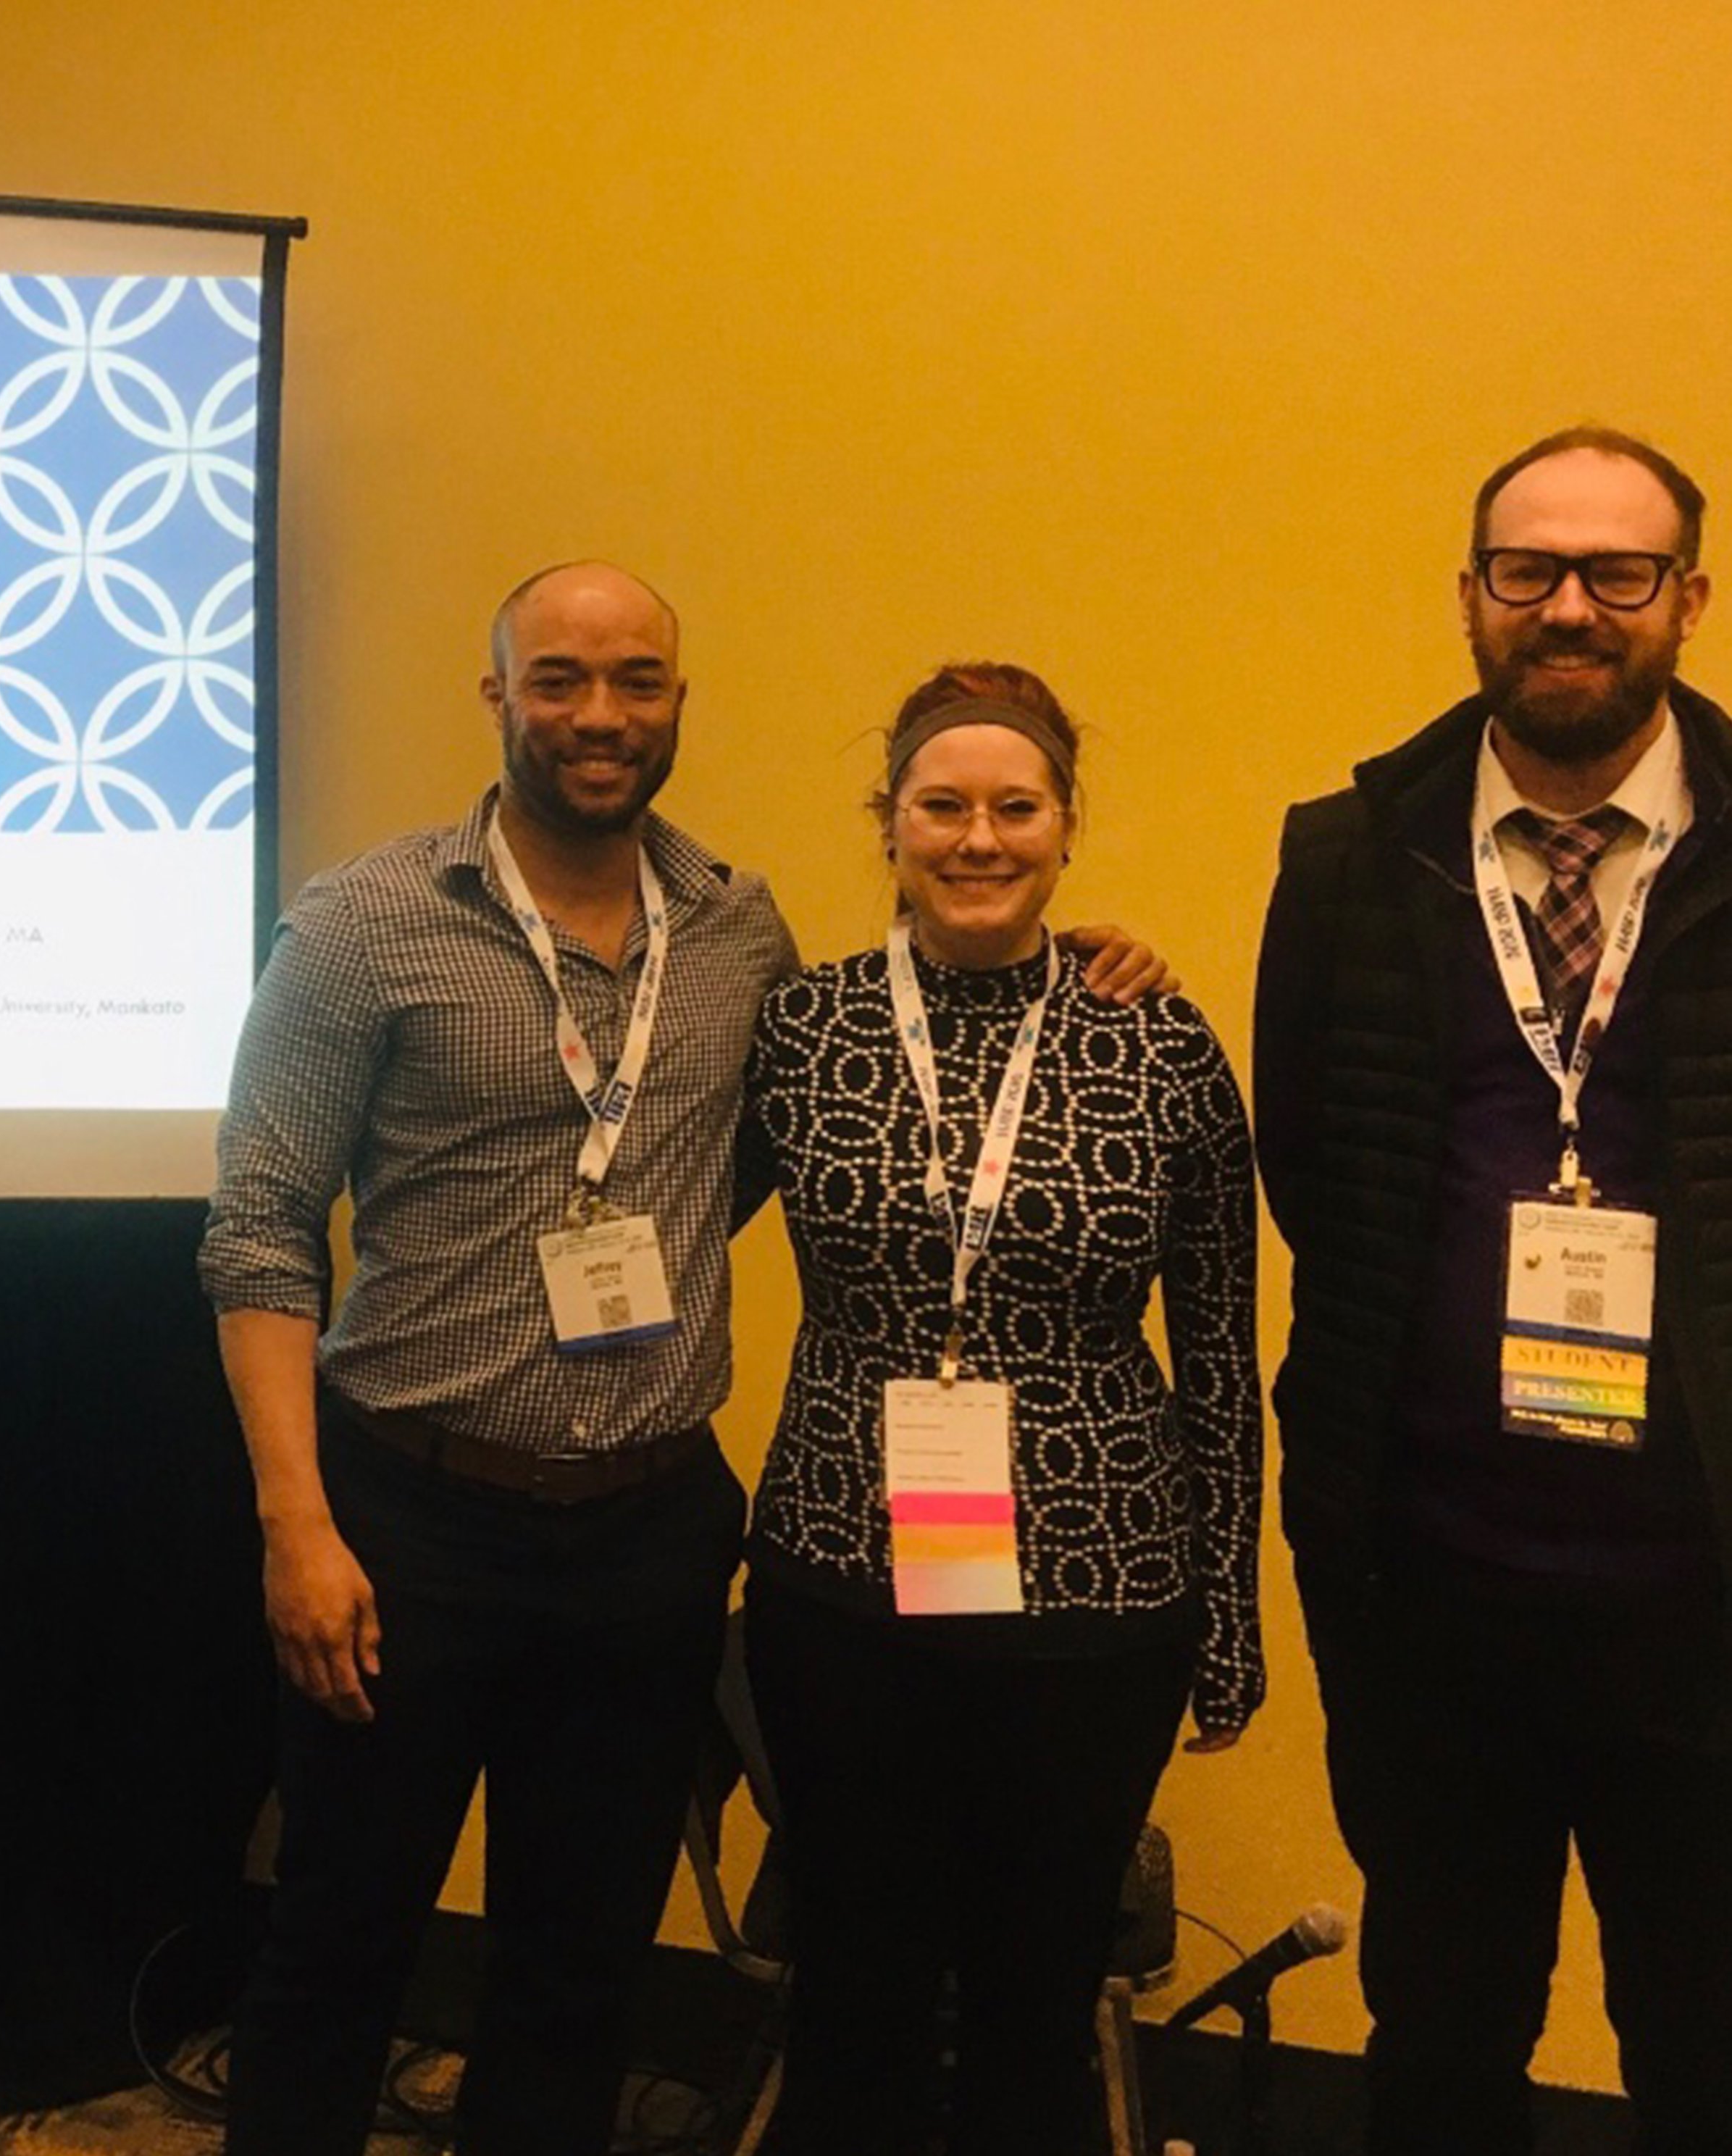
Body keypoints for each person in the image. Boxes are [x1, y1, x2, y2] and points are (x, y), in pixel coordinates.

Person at [198, 567, 1165, 2156]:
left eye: (636, 682)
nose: (599, 715)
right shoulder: (366, 923)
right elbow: (258, 1231)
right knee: (338, 1945)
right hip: (405, 1521)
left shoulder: (735, 926)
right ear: (497, 695)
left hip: (646, 1533)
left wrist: (1081, 964)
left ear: (675, 705)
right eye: (560, 679)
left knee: (582, 1969)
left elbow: (868, 1088)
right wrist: (295, 1524)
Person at [1255, 427, 1732, 2154]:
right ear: (1470, 596)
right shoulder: (1346, 854)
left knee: (1706, 2044)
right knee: (1443, 2037)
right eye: (1528, 571)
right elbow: (1304, 1162)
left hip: (1703, 1600)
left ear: (1685, 597)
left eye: (1616, 573)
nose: (1570, 610)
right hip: (1430, 1586)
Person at [735, 664, 1262, 2156]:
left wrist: (1228, 1622)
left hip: (1098, 1597)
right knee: (854, 1987)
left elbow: (1220, 1355)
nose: (979, 838)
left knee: (1038, 1996)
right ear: (887, 823)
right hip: (840, 1582)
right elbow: (659, 1220)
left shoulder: (1159, 1043)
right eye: (941, 805)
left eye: (1014, 807)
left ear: (1067, 828)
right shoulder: (803, 1031)